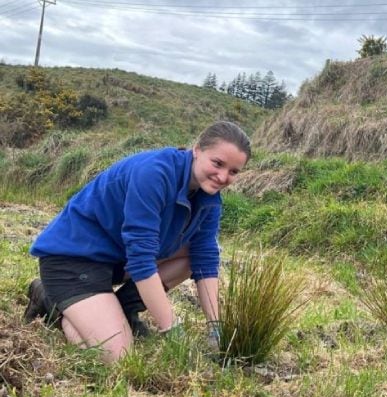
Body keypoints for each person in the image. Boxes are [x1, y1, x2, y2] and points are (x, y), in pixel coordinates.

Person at [24, 120, 251, 363]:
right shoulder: (154, 173)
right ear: (197, 150)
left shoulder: (209, 198)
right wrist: (171, 329)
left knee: (197, 254)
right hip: (73, 260)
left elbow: (205, 258)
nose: (223, 177)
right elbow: (141, 260)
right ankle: (50, 299)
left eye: (233, 171)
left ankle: (123, 309)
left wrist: (216, 326)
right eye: (217, 163)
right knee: (116, 355)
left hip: (115, 260)